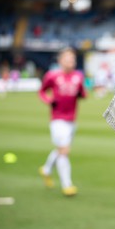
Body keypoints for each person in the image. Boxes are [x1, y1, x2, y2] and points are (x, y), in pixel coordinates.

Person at [38, 47, 86, 197]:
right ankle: (67, 185)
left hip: (72, 119)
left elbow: (83, 94)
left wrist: (80, 93)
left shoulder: (78, 76)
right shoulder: (52, 76)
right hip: (57, 119)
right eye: (68, 58)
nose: (71, 61)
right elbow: (42, 91)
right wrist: (49, 100)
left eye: (73, 59)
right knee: (64, 151)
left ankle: (46, 170)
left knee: (60, 149)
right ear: (60, 61)